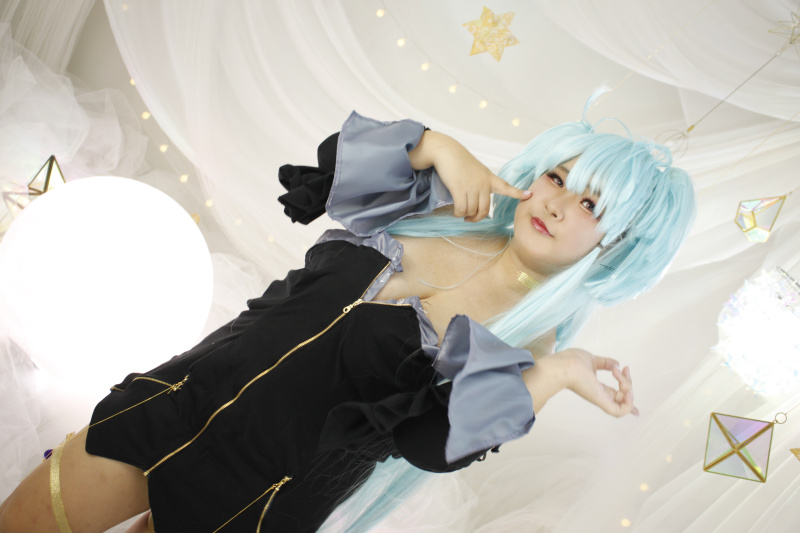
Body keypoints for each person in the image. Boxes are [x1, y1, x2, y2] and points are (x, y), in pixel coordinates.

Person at [0, 97, 695, 533]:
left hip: (258, 499)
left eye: (591, 205)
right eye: (559, 178)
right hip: (179, 400)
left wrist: (559, 372)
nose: (557, 203)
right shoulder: (432, 205)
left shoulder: (524, 346)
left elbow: (432, 442)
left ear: (617, 245)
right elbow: (328, 170)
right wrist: (437, 145)